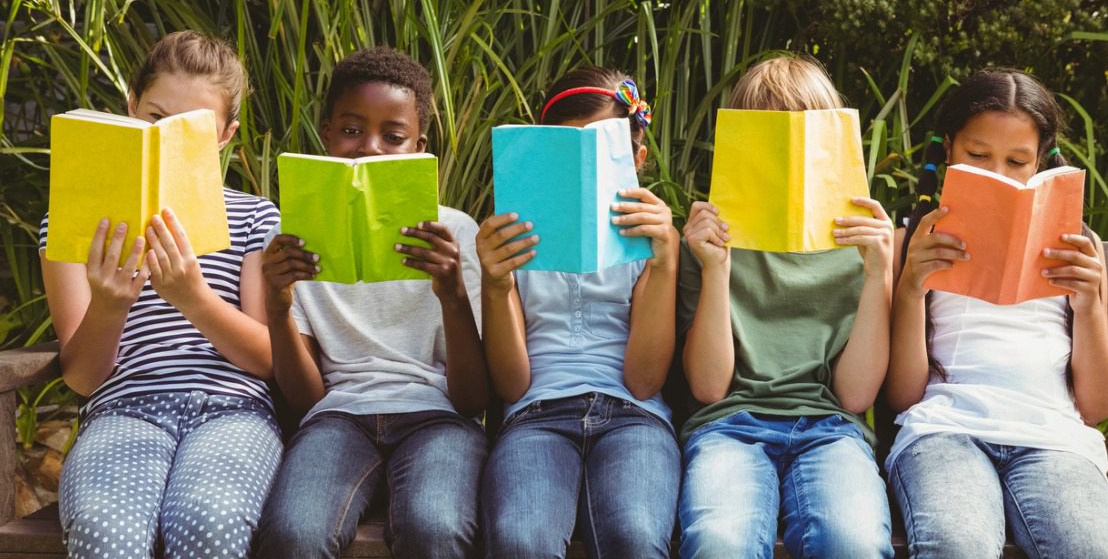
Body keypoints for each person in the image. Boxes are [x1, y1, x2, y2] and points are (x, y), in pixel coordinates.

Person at [42, 30, 281, 558]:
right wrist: (111, 305)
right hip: (123, 408)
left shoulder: (254, 218)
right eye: (155, 117)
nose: (167, 133)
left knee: (209, 520)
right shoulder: (71, 225)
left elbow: (269, 360)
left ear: (225, 135)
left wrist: (194, 298)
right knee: (106, 530)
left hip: (233, 410)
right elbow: (82, 378)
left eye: (191, 128)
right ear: (131, 108)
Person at [253, 46, 488, 559]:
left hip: (438, 417)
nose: (370, 148)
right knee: (294, 533)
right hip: (338, 416)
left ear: (420, 147)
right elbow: (305, 399)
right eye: (352, 130)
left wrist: (451, 296)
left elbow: (472, 400)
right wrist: (276, 307)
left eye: (394, 136)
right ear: (327, 134)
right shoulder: (291, 236)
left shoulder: (454, 232)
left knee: (436, 527)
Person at [885, 68, 1108, 558]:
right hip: (945, 433)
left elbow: (1096, 407)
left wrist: (1087, 306)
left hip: (1052, 439)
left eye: (1017, 161)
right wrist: (911, 288)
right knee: (957, 545)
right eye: (977, 156)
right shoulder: (911, 243)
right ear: (949, 148)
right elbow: (903, 396)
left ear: (1040, 161)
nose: (997, 174)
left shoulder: (1079, 249)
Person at [676, 55, 894, 559]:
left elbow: (855, 395)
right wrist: (716, 269)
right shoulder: (709, 241)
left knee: (854, 543)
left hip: (830, 429)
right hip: (729, 426)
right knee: (718, 543)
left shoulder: (859, 244)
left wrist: (879, 274)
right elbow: (709, 387)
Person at [477, 66, 680, 558]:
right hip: (536, 415)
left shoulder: (655, 242)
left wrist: (664, 263)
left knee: (634, 536)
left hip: (634, 415)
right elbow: (511, 386)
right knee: (521, 539)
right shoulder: (513, 241)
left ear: (637, 158)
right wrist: (496, 282)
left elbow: (645, 381)